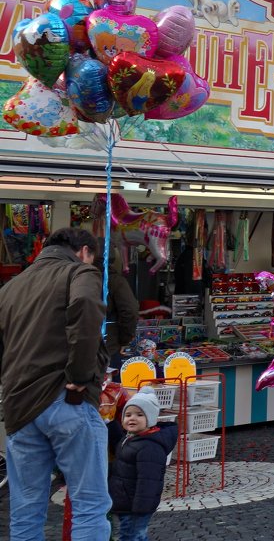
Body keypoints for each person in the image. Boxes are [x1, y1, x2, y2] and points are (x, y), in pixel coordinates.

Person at [0, 228, 112, 541]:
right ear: (84, 251)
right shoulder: (80, 273)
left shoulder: (11, 288)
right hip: (67, 400)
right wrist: (79, 376)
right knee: (89, 503)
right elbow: (87, 312)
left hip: (20, 407)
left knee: (25, 510)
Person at [107, 385, 178, 541]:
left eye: (139, 415)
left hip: (136, 506)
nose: (132, 418)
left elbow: (149, 480)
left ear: (150, 419)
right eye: (128, 414)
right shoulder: (131, 438)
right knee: (132, 535)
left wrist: (140, 508)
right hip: (126, 502)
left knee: (133, 536)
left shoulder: (149, 446)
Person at [105, 261, 139, 370]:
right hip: (109, 345)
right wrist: (124, 340)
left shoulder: (76, 276)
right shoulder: (115, 280)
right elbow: (130, 311)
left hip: (77, 347)